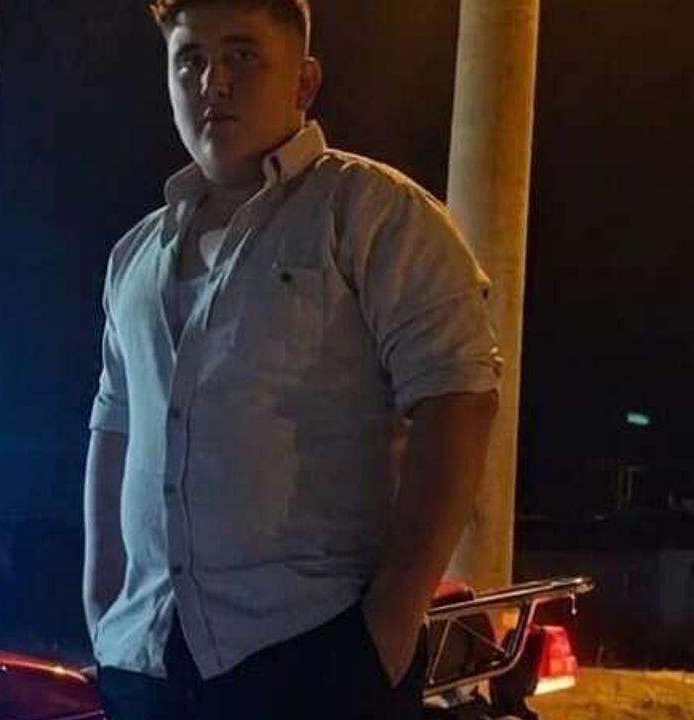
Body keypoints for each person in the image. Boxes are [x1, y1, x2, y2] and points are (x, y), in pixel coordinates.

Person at [81, 1, 502, 718]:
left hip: (316, 650)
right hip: (145, 659)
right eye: (190, 60)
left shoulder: (371, 214)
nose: (213, 82)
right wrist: (102, 602)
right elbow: (115, 425)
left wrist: (391, 622)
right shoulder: (136, 255)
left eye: (242, 55)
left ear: (305, 82)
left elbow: (458, 396)